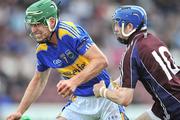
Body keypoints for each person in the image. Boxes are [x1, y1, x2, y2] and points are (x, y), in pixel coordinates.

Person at [6, 0, 126, 120]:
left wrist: (73, 82)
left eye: (37, 24)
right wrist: (20, 111)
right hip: (80, 101)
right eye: (31, 25)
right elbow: (38, 81)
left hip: (104, 95)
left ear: (52, 22)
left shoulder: (68, 32)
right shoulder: (41, 50)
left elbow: (101, 61)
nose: (33, 30)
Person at [93, 5, 180, 120]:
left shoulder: (132, 52)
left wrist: (102, 91)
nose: (115, 29)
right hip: (165, 103)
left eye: (119, 24)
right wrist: (110, 84)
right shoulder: (152, 39)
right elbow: (127, 77)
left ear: (129, 26)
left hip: (174, 106)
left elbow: (125, 99)